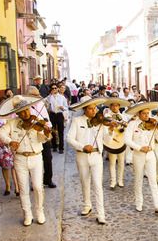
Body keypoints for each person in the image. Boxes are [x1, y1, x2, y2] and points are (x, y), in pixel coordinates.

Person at [0, 95, 51, 226]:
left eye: (27, 110)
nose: (26, 113)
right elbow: (0, 134)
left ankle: (40, 211)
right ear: (17, 113)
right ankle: (27, 214)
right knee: (23, 188)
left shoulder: (36, 121)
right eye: (22, 111)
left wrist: (46, 132)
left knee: (38, 187)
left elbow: (42, 139)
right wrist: (10, 141)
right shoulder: (12, 123)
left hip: (36, 157)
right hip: (20, 159)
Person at [67, 96, 110, 224]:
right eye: (90, 109)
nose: (94, 111)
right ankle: (87, 205)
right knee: (85, 182)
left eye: (95, 109)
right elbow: (69, 138)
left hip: (96, 155)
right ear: (85, 109)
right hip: (82, 155)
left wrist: (111, 130)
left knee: (97, 184)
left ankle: (101, 214)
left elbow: (107, 140)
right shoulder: (77, 121)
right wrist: (82, 146)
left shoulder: (100, 122)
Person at [124, 102, 158, 213]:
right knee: (138, 179)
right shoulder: (132, 124)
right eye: (144, 114)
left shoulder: (153, 124)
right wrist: (139, 148)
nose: (147, 116)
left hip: (151, 154)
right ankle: (139, 203)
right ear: (139, 114)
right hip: (138, 155)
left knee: (153, 179)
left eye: (148, 113)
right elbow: (127, 140)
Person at [0, 97, 20, 196]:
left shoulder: (13, 115)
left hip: (12, 142)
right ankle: (7, 185)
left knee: (15, 165)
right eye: (1, 104)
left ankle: (17, 187)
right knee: (5, 165)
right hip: (1, 145)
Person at [27, 87, 56, 188]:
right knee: (34, 159)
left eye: (37, 95)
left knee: (48, 157)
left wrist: (49, 127)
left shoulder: (41, 104)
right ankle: (34, 182)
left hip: (43, 133)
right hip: (32, 135)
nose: (37, 97)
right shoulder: (27, 106)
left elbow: (46, 117)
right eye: (34, 96)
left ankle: (48, 179)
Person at [103, 98, 131, 190]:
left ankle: (120, 180)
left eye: (117, 105)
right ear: (110, 106)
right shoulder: (107, 115)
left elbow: (126, 128)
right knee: (112, 162)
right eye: (113, 105)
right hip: (112, 140)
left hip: (121, 140)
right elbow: (105, 127)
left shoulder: (122, 116)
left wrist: (125, 125)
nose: (115, 107)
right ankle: (113, 181)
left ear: (119, 106)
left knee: (121, 162)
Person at [47, 83, 68, 154]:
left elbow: (66, 107)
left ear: (57, 88)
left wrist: (63, 108)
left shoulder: (62, 97)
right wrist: (50, 95)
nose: (54, 89)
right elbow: (47, 106)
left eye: (55, 88)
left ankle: (61, 148)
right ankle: (54, 146)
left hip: (59, 114)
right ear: (50, 89)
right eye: (52, 88)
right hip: (52, 115)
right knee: (52, 131)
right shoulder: (49, 97)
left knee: (60, 131)